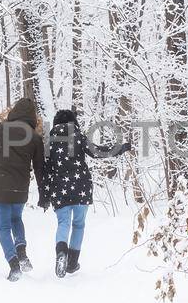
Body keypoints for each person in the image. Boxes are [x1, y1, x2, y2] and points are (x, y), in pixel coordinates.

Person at [42, 109, 133, 277]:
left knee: (63, 224)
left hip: (59, 188)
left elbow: (45, 170)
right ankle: (72, 263)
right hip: (81, 187)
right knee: (78, 225)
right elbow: (97, 152)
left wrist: (45, 195)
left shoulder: (48, 141)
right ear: (73, 122)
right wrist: (120, 149)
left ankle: (61, 252)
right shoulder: (78, 136)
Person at [0, 97, 48, 281]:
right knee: (16, 219)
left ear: (14, 112)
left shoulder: (2, 129)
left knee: (3, 227)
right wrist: (43, 194)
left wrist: (1, 127)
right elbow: (40, 169)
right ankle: (21, 251)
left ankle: (14, 264)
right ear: (32, 116)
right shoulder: (35, 138)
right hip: (20, 187)